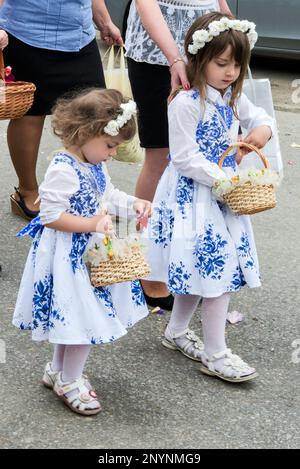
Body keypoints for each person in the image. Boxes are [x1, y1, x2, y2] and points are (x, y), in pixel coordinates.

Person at [144, 12, 275, 382]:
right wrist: (224, 181)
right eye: (222, 64)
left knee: (206, 272)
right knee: (219, 271)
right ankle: (216, 353)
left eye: (236, 64)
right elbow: (184, 158)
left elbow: (260, 117)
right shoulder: (186, 103)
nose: (231, 72)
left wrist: (261, 133)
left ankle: (176, 330)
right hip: (195, 198)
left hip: (224, 198)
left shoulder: (231, 96)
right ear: (199, 59)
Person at [12, 88, 152, 415]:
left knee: (76, 317)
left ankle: (59, 370)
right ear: (85, 133)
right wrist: (92, 223)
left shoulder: (94, 163)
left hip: (87, 256)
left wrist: (133, 204)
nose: (112, 153)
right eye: (110, 145)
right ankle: (70, 381)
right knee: (85, 319)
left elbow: (109, 194)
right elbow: (49, 216)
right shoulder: (63, 169)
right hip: (67, 258)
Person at [125, 0, 232, 309]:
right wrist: (175, 59)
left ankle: (182, 257)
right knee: (161, 156)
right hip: (159, 54)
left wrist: (229, 25)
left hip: (209, 49)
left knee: (198, 156)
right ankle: (146, 267)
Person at [0, 0, 123, 220]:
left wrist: (104, 22)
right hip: (27, 33)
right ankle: (27, 191)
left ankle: (89, 189)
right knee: (30, 113)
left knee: (96, 115)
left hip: (80, 36)